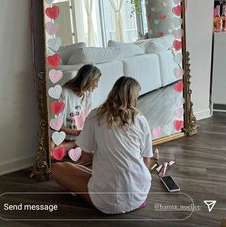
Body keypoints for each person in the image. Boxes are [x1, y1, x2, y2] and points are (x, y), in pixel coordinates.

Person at [51, 76, 153, 214]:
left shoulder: (95, 116)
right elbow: (146, 160)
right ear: (134, 97)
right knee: (112, 170)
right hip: (140, 192)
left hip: (107, 201)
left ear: (113, 92)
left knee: (58, 168)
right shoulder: (140, 119)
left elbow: (86, 157)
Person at [51, 64, 101, 153]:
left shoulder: (88, 95)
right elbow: (55, 125)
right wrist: (77, 133)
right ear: (88, 80)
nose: (97, 85)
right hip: (63, 136)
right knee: (51, 152)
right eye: (96, 81)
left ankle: (72, 145)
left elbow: (88, 120)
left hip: (81, 138)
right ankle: (72, 146)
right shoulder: (64, 93)